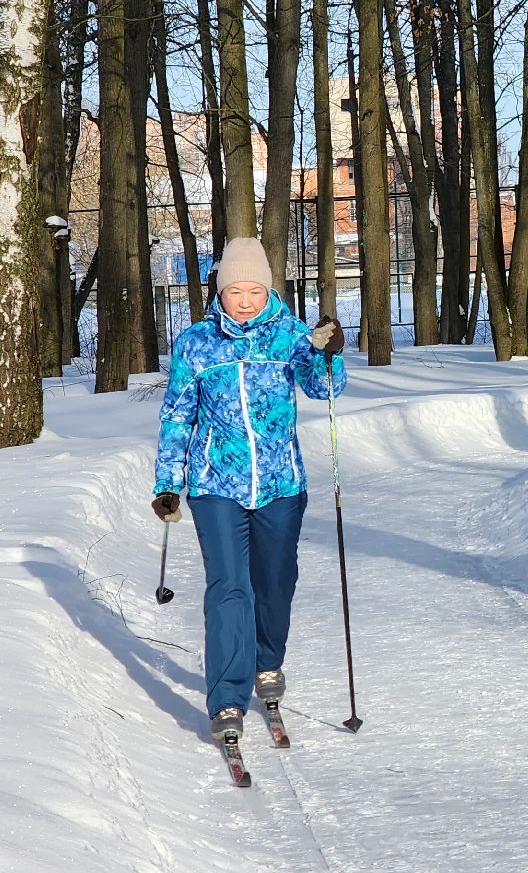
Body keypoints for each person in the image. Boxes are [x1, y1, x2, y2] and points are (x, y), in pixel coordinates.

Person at [151, 237, 347, 745]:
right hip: (215, 484)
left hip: (281, 484)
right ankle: (228, 698)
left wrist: (329, 354)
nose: (243, 300)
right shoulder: (196, 343)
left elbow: (324, 388)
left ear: (267, 289)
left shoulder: (289, 335)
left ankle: (267, 664)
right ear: (221, 290)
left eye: (253, 290)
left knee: (276, 584)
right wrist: (169, 482)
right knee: (229, 590)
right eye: (234, 289)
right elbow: (177, 416)